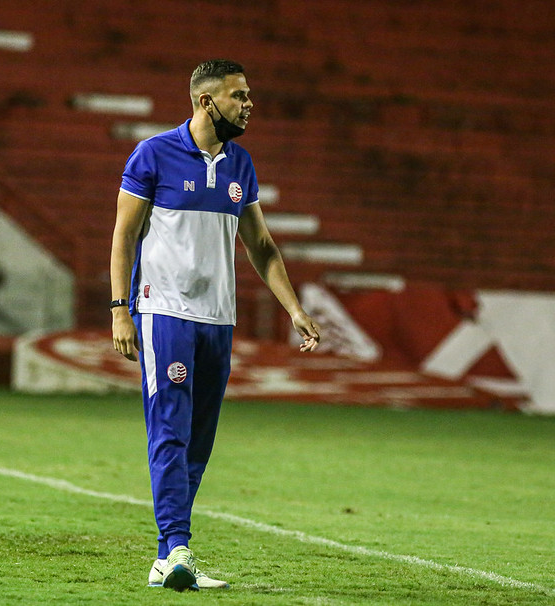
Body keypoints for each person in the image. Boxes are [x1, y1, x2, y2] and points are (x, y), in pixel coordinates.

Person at [109, 59, 321, 592]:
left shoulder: (240, 165)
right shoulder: (153, 154)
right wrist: (120, 308)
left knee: (199, 441)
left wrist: (293, 309)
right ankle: (176, 549)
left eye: (248, 96)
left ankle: (169, 554)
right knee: (171, 431)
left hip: (217, 320)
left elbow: (263, 247)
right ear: (207, 102)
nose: (249, 104)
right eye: (239, 96)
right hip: (165, 314)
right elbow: (123, 237)